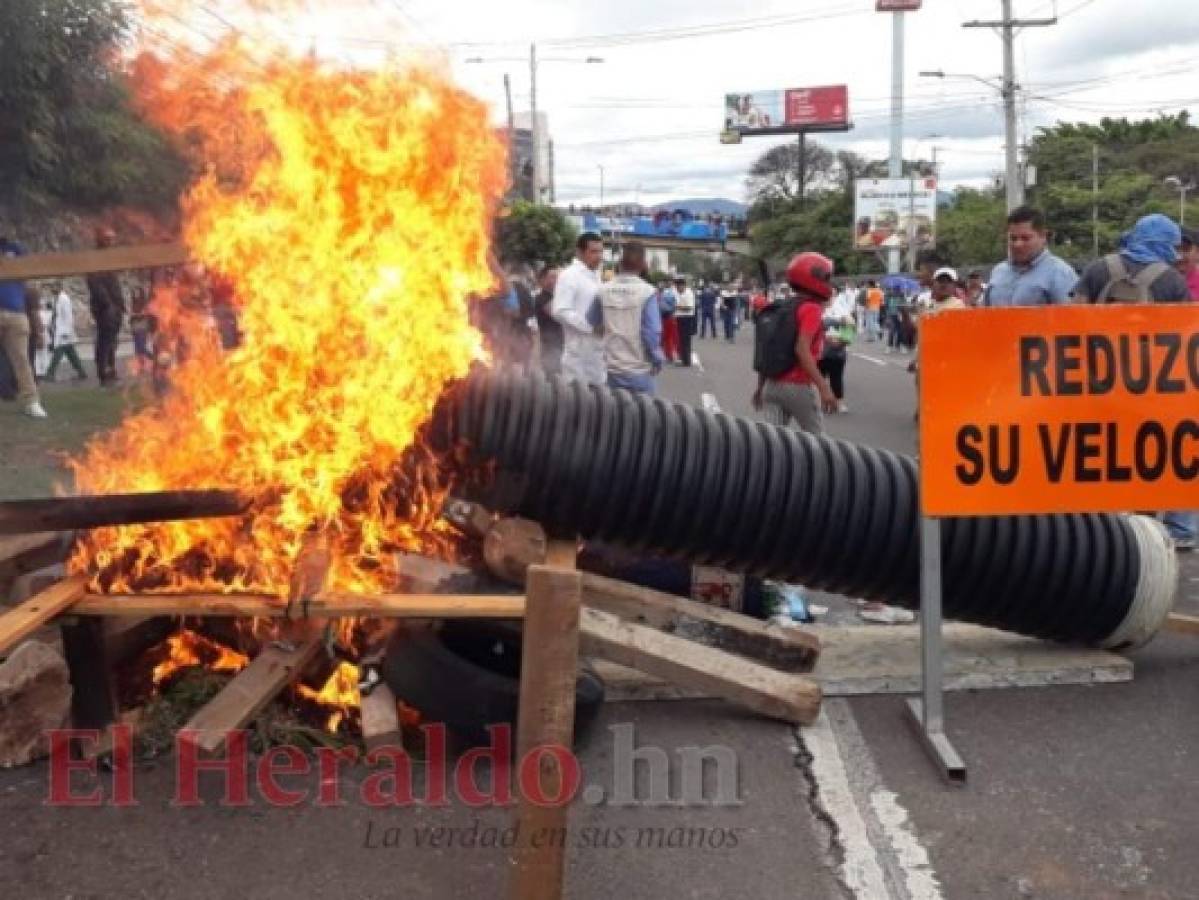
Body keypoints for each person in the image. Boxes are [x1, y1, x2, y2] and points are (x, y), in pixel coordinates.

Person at [751, 252, 839, 435]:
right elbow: (802, 350)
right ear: (814, 278)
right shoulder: (811, 309)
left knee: (773, 445)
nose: (828, 283)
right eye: (826, 278)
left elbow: (768, 347)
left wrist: (760, 387)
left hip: (771, 386)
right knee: (818, 444)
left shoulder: (783, 306)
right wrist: (824, 388)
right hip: (797, 387)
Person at [1073, 213, 1191, 303]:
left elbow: (1074, 315)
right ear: (1167, 244)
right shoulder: (1173, 280)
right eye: (1175, 246)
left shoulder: (1097, 268)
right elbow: (1189, 326)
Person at [598, 242, 662, 394]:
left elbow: (593, 324)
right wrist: (657, 359)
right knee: (644, 415)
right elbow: (652, 333)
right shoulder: (648, 292)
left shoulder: (602, 290)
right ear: (643, 264)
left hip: (611, 370)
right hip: (639, 370)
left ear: (620, 264)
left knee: (615, 415)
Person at [983, 206, 1078, 306]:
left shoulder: (1060, 273)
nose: (1018, 244)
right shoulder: (998, 272)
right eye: (1013, 238)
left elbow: (1072, 318)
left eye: (1025, 238)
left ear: (1043, 236)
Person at [0, 236, 46, 417]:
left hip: (16, 312)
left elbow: (29, 269)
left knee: (21, 360)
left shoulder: (15, 247)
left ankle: (32, 402)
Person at [551, 232, 605, 385]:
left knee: (599, 402)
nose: (599, 256)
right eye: (593, 251)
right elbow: (560, 311)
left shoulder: (596, 275)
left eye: (601, 251)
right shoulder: (569, 275)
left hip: (597, 355)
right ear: (579, 252)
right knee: (578, 404)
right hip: (577, 356)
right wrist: (590, 327)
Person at [86, 227, 127, 386]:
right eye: (108, 239)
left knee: (112, 340)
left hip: (115, 305)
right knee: (105, 340)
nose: (111, 242)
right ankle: (103, 372)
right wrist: (108, 304)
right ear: (100, 240)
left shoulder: (110, 258)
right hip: (104, 308)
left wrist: (119, 304)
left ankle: (111, 369)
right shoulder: (95, 258)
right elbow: (95, 284)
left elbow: (115, 284)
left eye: (112, 239)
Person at [818, 285, 855, 414]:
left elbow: (850, 327)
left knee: (836, 377)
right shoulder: (817, 309)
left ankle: (839, 402)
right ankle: (823, 403)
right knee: (820, 378)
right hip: (820, 349)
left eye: (831, 294)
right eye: (826, 294)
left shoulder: (842, 309)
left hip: (837, 350)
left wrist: (842, 342)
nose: (829, 297)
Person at [46, 283, 87, 382]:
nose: (52, 289)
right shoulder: (58, 298)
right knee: (71, 353)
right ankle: (81, 372)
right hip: (61, 330)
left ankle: (50, 373)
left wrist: (66, 331)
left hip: (64, 330)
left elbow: (68, 316)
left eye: (53, 286)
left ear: (59, 287)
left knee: (58, 351)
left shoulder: (64, 299)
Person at [534, 265, 563, 375]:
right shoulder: (541, 299)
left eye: (557, 277)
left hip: (561, 345)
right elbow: (558, 315)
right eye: (552, 277)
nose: (556, 280)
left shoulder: (554, 297)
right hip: (550, 347)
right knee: (554, 380)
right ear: (542, 280)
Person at [673, 276, 696, 366]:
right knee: (681, 340)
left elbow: (689, 307)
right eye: (676, 286)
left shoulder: (688, 293)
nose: (677, 288)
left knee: (686, 340)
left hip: (686, 318)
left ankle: (687, 361)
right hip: (679, 318)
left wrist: (677, 307)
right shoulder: (678, 293)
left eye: (679, 286)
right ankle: (684, 359)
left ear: (683, 285)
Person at [656, 279, 679, 363]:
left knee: (665, 337)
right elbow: (675, 305)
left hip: (664, 317)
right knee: (668, 337)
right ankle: (668, 355)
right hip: (668, 316)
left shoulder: (660, 295)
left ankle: (667, 355)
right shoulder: (671, 294)